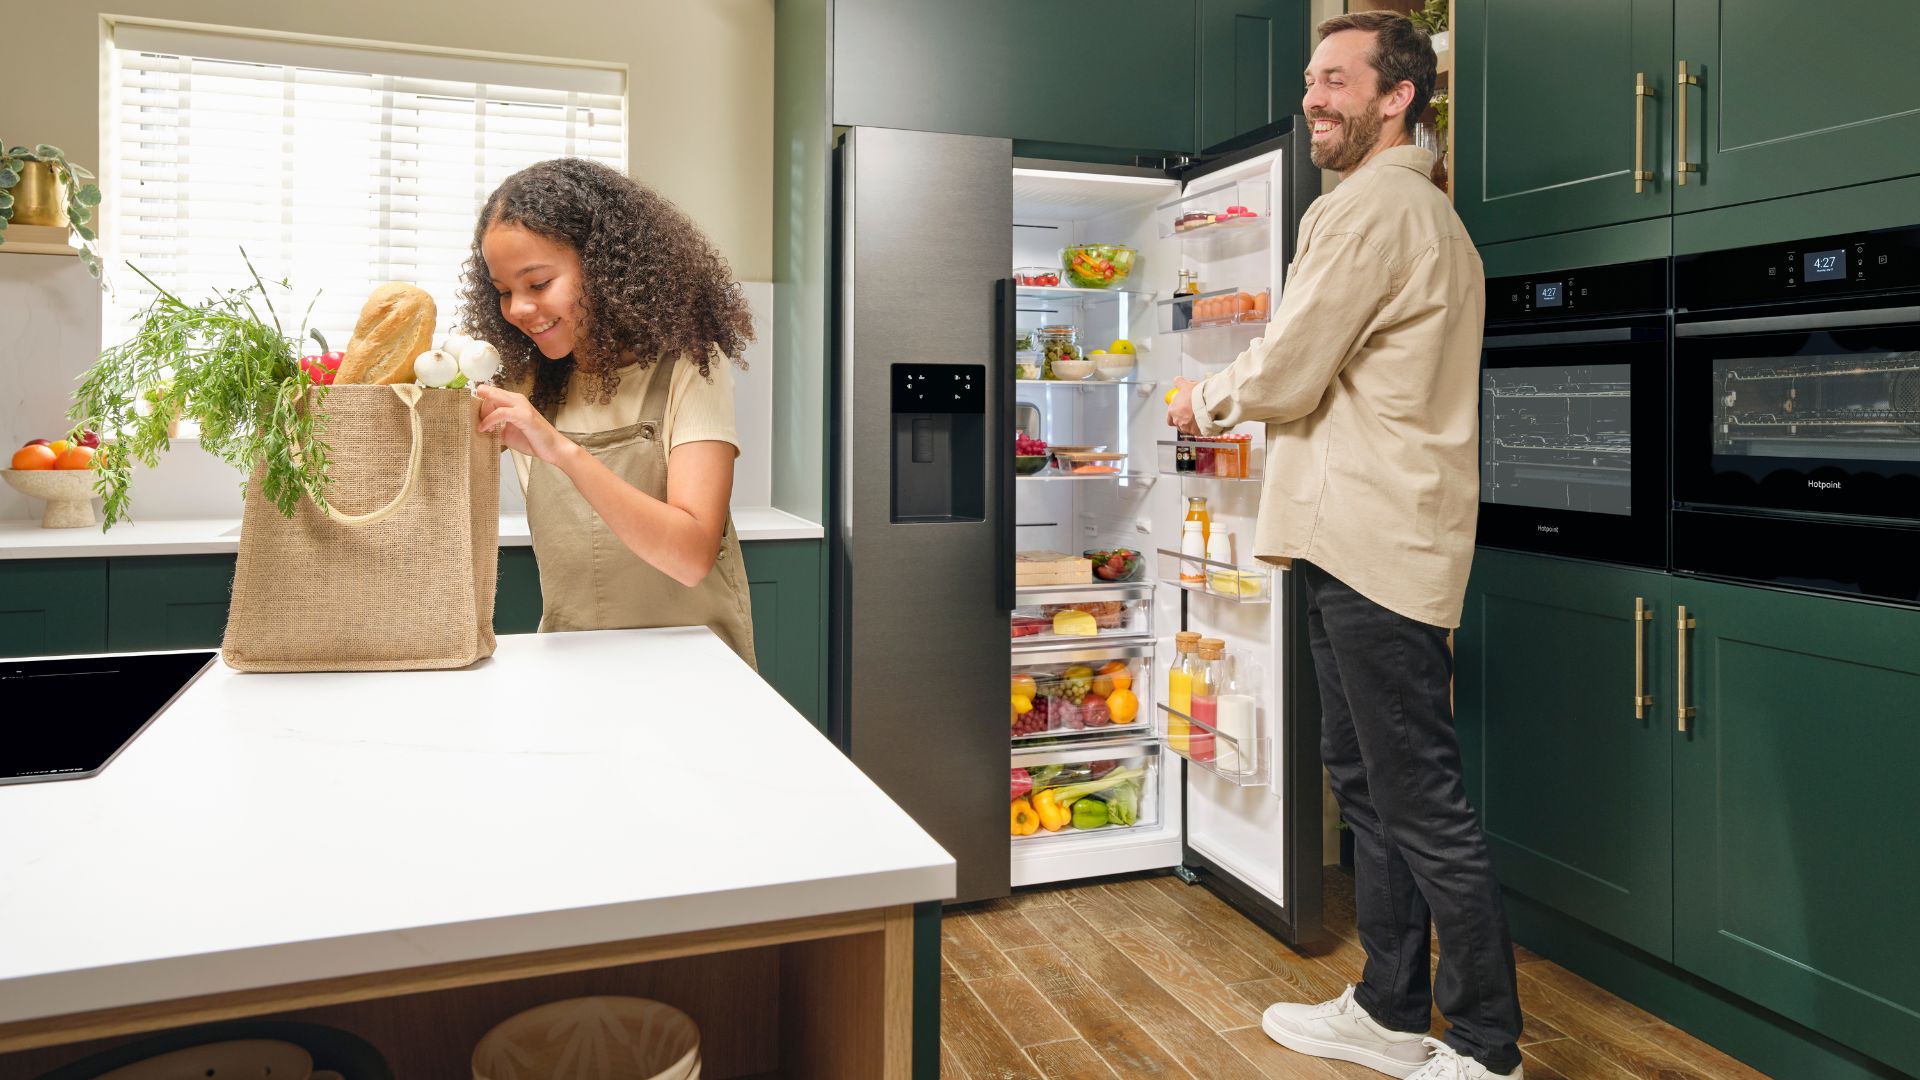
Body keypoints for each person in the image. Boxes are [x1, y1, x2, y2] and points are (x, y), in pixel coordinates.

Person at [1166, 12, 1520, 1080]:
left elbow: (1287, 368)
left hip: (1377, 547)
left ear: (1397, 96)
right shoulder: (1409, 211)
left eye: (1335, 80)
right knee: (1369, 790)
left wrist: (1201, 399)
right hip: (1356, 540)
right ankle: (1388, 1008)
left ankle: (1489, 1046)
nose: (1312, 99)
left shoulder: (1373, 210)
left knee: (1418, 801)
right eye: (1311, 81)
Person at [460, 158, 758, 667]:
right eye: (504, 291)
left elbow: (690, 557)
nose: (517, 310)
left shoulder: (690, 369)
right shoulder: (524, 385)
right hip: (574, 662)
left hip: (699, 668)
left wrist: (562, 450)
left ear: (603, 267)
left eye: (537, 283)